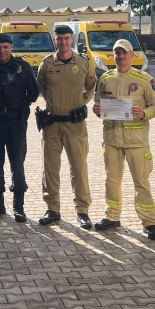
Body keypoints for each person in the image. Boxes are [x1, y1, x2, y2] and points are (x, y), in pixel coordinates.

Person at [92, 40, 155, 239]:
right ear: (113, 56)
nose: (120, 56)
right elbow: (98, 104)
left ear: (132, 55)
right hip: (112, 139)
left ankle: (149, 222)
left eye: (124, 53)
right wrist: (97, 110)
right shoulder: (105, 78)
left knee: (141, 182)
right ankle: (112, 216)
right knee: (111, 181)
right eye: (117, 53)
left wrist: (144, 113)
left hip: (136, 142)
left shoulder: (144, 79)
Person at [37, 25, 97, 228]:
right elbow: (43, 88)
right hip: (52, 124)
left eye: (66, 38)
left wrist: (81, 104)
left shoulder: (83, 63)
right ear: (54, 40)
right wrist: (55, 105)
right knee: (51, 169)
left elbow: (92, 85)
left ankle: (82, 210)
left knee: (79, 169)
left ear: (72, 39)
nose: (63, 42)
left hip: (75, 124)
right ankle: (52, 209)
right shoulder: (46, 64)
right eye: (59, 39)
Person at [0, 33, 39, 222]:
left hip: (16, 122)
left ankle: (18, 206)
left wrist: (17, 106)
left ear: (11, 47)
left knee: (17, 163)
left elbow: (34, 92)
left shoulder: (22, 67)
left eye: (5, 47)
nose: (2, 51)